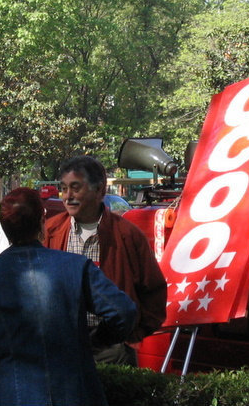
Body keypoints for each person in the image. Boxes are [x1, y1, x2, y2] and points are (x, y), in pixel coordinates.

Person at [0, 188, 136, 406]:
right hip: (74, 392)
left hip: (9, 393)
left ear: (3, 227)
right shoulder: (76, 267)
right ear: (42, 220)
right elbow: (123, 312)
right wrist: (94, 341)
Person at [44, 156, 167, 365]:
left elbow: (154, 290)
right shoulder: (51, 231)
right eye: (64, 189)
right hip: (63, 345)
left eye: (76, 188)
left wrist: (134, 335)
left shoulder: (127, 234)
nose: (68, 196)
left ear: (100, 190)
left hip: (112, 350)